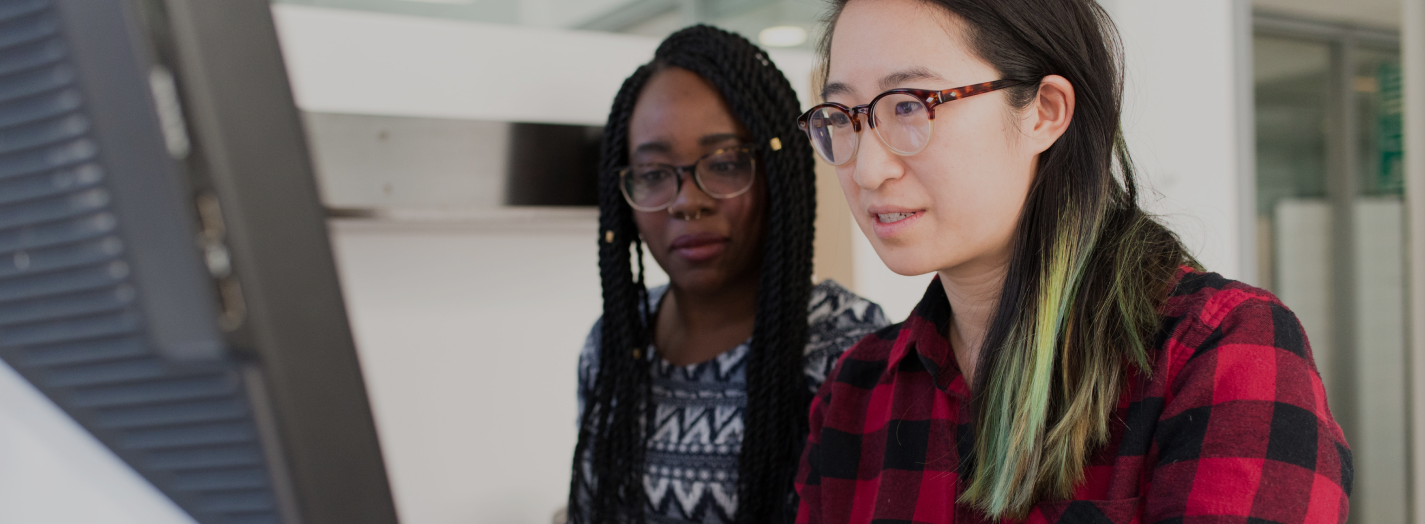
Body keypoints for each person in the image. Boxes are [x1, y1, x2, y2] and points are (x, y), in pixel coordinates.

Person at [792, 0, 1351, 522]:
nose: (867, 170)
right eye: (842, 117)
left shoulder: (1220, 353)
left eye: (910, 106)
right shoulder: (856, 391)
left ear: (1044, 110)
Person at [569, 26, 891, 524]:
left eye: (723, 164)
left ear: (775, 175)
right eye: (654, 174)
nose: (687, 201)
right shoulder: (613, 343)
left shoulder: (846, 350)